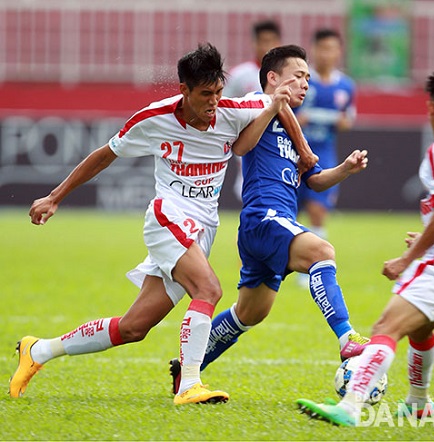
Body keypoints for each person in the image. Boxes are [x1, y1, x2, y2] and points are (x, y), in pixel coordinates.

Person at [8, 43, 316, 405]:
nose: (213, 102)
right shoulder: (154, 119)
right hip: (167, 216)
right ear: (184, 91)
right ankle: (189, 385)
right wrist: (55, 196)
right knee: (209, 289)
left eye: (218, 92)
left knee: (134, 327)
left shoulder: (234, 109)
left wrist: (304, 150)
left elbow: (276, 102)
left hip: (202, 229)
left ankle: (38, 350)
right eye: (205, 94)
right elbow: (103, 155)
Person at [296, 71, 434, 426]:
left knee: (386, 327)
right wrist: (427, 239)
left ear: (431, 107)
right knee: (419, 331)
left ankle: (350, 407)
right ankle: (419, 403)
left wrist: (410, 255)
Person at [170, 44, 369, 394]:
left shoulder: (293, 128)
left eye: (308, 78)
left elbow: (316, 179)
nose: (306, 84)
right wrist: (273, 103)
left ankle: (187, 368)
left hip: (273, 224)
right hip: (264, 217)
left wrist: (347, 170)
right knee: (322, 251)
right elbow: (241, 147)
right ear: (273, 78)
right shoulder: (255, 105)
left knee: (251, 312)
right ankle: (347, 338)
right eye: (298, 77)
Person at [296, 29, 356, 263]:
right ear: (314, 50)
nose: (326, 54)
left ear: (338, 52)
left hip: (324, 155)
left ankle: (310, 265)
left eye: (331, 48)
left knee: (317, 211)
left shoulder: (346, 86)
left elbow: (348, 120)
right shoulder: (302, 80)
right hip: (295, 154)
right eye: (322, 48)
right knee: (289, 211)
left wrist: (340, 122)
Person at [224, 19, 282, 201]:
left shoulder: (288, 75)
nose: (267, 46)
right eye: (262, 41)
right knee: (251, 190)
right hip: (248, 140)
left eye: (271, 41)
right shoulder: (239, 75)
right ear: (254, 43)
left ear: (278, 43)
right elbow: (224, 105)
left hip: (278, 141)